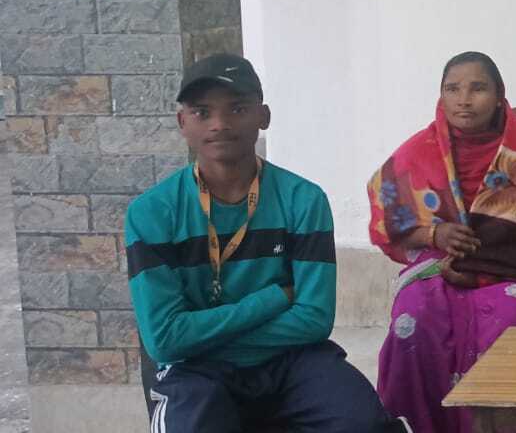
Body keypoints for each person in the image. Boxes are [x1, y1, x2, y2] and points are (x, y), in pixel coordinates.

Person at [126, 53, 403, 432]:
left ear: (264, 116)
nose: (220, 124)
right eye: (202, 112)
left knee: (363, 422)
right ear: (182, 123)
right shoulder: (151, 213)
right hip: (196, 370)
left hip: (290, 360)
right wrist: (273, 299)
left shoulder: (303, 200)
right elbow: (165, 340)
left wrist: (202, 334)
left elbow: (313, 320)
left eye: (237, 108)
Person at [368, 52, 516, 433]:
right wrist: (434, 234)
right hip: (439, 265)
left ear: (499, 97)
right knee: (413, 321)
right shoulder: (418, 151)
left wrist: (483, 271)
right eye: (453, 89)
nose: (464, 100)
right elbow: (388, 218)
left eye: (478, 88)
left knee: (513, 320)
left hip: (511, 272)